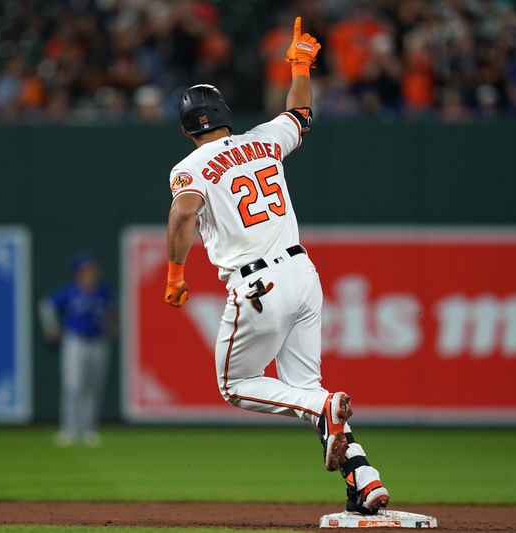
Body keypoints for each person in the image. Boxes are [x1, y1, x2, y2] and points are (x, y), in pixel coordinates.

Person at [163, 17, 389, 514]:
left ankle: (324, 409)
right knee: (305, 388)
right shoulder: (264, 139)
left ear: (186, 129)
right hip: (303, 276)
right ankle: (366, 481)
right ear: (223, 113)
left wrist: (177, 272)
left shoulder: (190, 167)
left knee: (237, 385)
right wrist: (301, 65)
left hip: (257, 283)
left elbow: (183, 211)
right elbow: (300, 111)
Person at [39, 253, 114, 447]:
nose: (91, 273)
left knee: (93, 387)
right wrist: (52, 329)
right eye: (86, 270)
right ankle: (69, 430)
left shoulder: (102, 292)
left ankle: (89, 430)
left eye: (92, 270)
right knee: (73, 386)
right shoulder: (70, 292)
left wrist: (112, 328)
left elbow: (114, 311)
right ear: (78, 273)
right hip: (75, 342)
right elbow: (46, 306)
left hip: (97, 342)